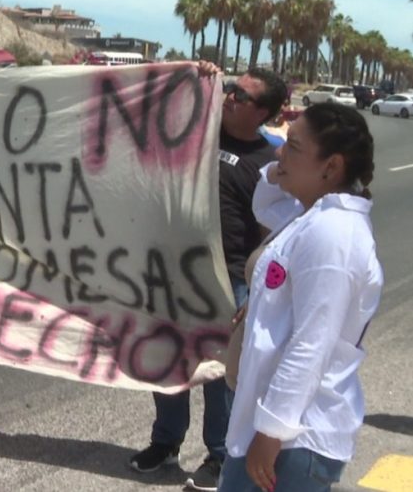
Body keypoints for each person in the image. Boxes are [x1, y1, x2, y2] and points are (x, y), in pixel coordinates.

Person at [130, 66, 289, 492]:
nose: (231, 97)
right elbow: (152, 107)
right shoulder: (198, 132)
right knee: (168, 362)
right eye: (231, 88)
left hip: (228, 281)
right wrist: (199, 75)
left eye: (242, 95)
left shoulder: (269, 165)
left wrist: (256, 290)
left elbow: (272, 231)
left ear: (266, 113)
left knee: (219, 374)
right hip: (174, 272)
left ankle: (218, 454)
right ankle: (165, 442)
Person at [219, 103, 381, 492]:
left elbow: (313, 342)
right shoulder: (311, 215)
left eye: (292, 146)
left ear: (331, 167)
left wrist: (271, 434)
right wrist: (282, 167)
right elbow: (265, 202)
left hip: (293, 441)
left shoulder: (334, 234)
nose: (278, 152)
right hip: (277, 433)